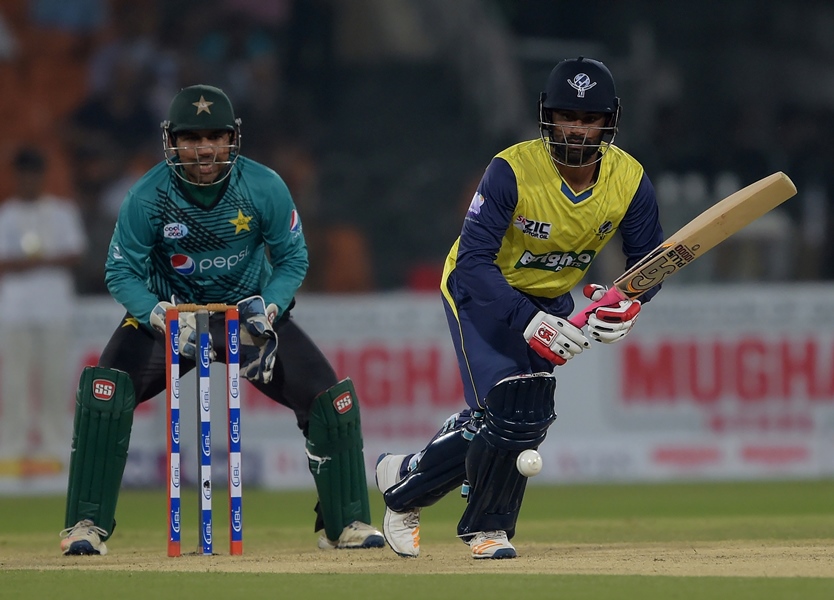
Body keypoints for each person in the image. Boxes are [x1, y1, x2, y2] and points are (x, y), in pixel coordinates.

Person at [59, 84, 384, 555]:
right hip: (171, 317)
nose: (205, 148)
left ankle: (346, 523)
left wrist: (267, 308)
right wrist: (157, 314)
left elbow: (292, 258)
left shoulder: (264, 186)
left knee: (328, 402)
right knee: (104, 394)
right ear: (171, 142)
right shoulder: (149, 195)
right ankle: (85, 525)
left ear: (233, 139)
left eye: (215, 136)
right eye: (192, 138)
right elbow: (121, 270)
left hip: (245, 314)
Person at [375, 57, 665, 559]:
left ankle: (404, 481)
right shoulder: (510, 170)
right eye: (565, 117)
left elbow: (647, 267)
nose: (576, 130)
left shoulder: (630, 180)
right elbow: (473, 262)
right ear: (546, 117)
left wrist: (623, 307)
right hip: (481, 293)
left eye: (589, 118)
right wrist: (528, 320)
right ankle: (486, 531)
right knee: (515, 406)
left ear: (610, 120)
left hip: (552, 297)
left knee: (514, 418)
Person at [0, 148, 86, 472]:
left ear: (42, 176)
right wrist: (41, 261)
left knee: (55, 380)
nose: (28, 180)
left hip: (54, 308)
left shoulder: (62, 212)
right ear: (16, 177)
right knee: (14, 382)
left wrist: (30, 262)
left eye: (33, 174)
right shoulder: (6, 214)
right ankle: (11, 448)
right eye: (22, 174)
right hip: (14, 309)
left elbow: (75, 253)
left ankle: (56, 447)